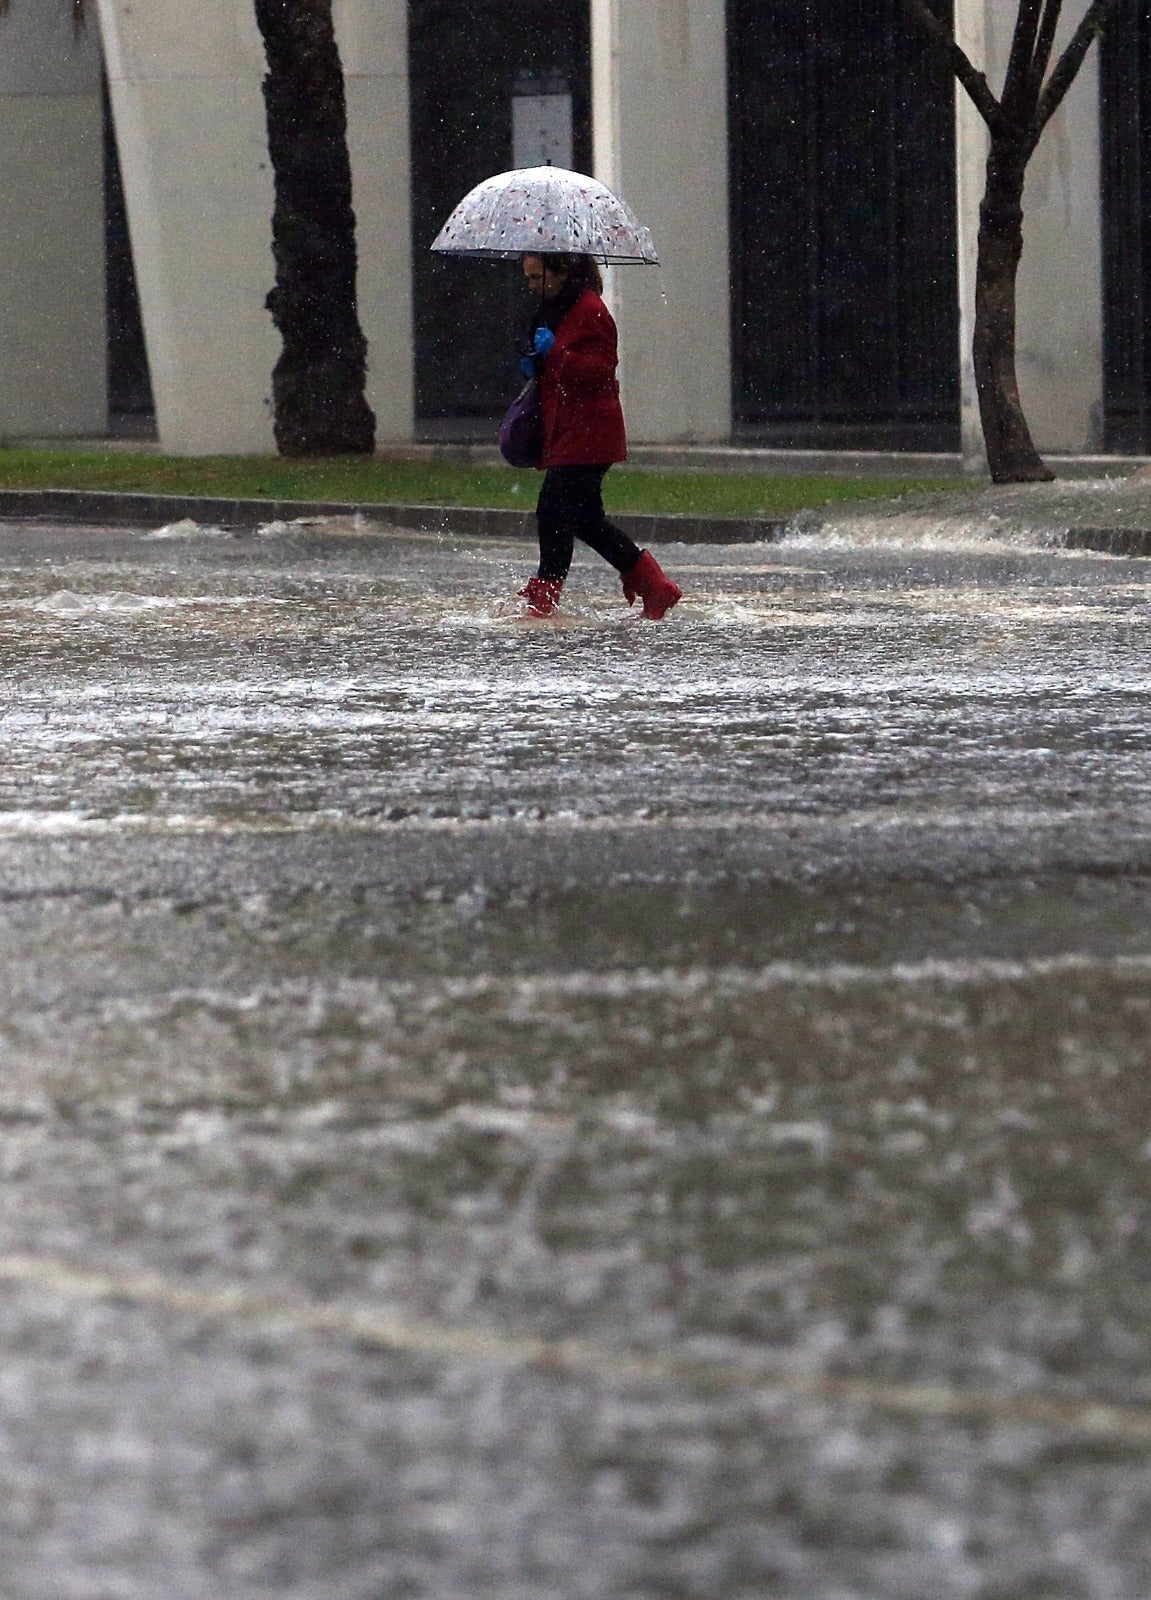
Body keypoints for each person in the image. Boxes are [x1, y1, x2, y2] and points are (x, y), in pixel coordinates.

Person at [515, 252, 682, 621]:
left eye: (536, 276)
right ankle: (654, 585)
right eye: (527, 277)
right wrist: (535, 360)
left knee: (553, 511)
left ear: (559, 272)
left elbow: (600, 371)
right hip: (569, 430)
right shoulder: (553, 309)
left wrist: (554, 352)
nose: (531, 285)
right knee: (585, 519)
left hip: (590, 434)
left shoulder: (591, 310)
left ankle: (544, 597)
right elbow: (557, 370)